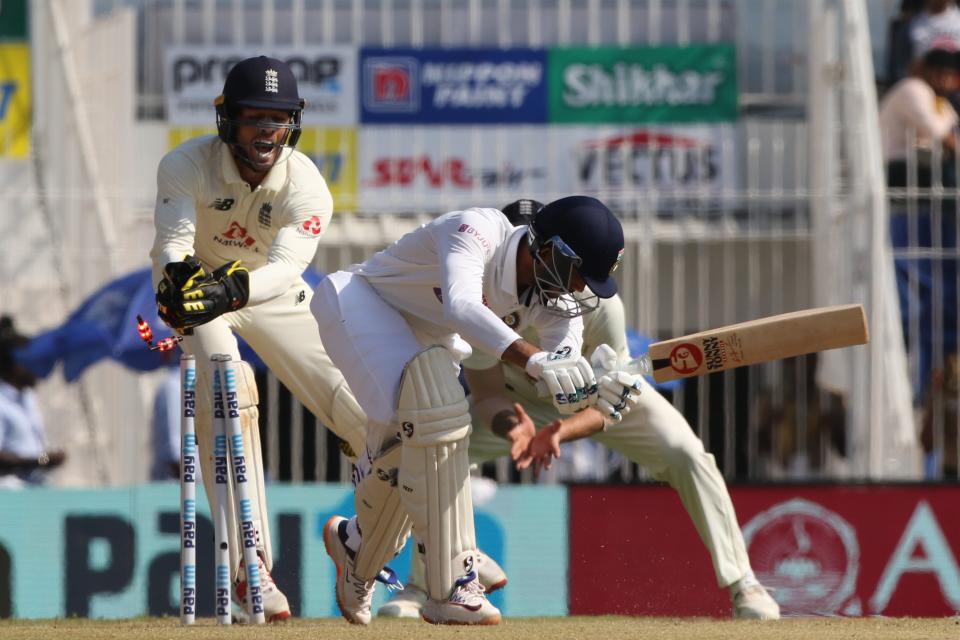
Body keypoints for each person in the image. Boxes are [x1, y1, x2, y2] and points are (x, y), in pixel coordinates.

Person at [376, 200, 781, 621]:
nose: (575, 288)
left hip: (600, 399)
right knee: (441, 445)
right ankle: (426, 586)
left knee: (685, 452)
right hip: (524, 403)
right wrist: (512, 427)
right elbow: (488, 394)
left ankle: (745, 585)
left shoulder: (599, 308)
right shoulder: (482, 301)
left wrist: (561, 432)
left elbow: (614, 403)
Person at [310, 195, 642, 625]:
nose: (580, 289)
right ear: (549, 249)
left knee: (419, 437)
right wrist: (535, 360)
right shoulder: (477, 229)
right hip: (363, 304)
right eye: (578, 274)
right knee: (437, 409)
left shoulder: (553, 291)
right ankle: (452, 580)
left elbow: (564, 352)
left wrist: (593, 386)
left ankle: (356, 543)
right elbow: (462, 306)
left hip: (431, 339)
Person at [150, 56, 369, 622]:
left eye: (279, 119)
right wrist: (180, 282)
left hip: (260, 288)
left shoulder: (307, 185)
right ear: (226, 119)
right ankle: (252, 571)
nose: (267, 132)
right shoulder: (185, 164)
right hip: (196, 287)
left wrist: (233, 290)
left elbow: (287, 268)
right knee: (227, 376)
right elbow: (174, 242)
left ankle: (389, 553)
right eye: (254, 118)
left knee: (367, 411)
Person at [881, 48, 960, 404]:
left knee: (935, 303)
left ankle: (926, 381)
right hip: (906, 199)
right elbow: (940, 131)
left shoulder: (938, 101)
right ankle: (912, 388)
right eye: (942, 74)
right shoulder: (912, 89)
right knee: (911, 302)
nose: (946, 82)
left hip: (926, 203)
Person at [0, 316, 66, 488]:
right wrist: (40, 461)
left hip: (34, 491)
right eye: (31, 363)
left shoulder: (27, 400)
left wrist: (44, 459)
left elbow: (35, 455)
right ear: (16, 367)